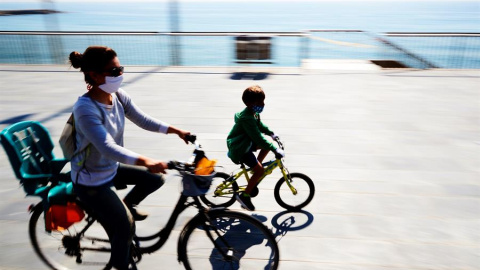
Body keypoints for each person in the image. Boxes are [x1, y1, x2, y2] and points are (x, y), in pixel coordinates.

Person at [68, 45, 190, 270]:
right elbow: (108, 148)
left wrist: (176, 131)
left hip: (110, 169)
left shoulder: (117, 96)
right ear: (94, 75)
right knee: (126, 226)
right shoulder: (85, 108)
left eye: (121, 69)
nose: (120, 75)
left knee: (155, 179)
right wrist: (147, 161)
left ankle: (125, 205)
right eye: (114, 71)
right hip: (91, 181)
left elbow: (144, 120)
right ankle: (119, 264)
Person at [226, 85, 284, 211]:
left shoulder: (253, 113)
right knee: (260, 171)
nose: (263, 104)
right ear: (249, 103)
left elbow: (260, 125)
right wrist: (275, 149)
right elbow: (258, 138)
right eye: (259, 102)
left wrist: (271, 133)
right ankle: (245, 196)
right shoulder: (247, 118)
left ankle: (255, 168)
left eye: (263, 101)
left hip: (244, 143)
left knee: (266, 146)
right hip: (240, 149)